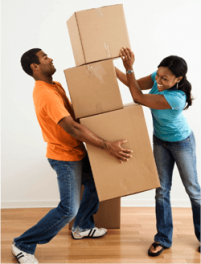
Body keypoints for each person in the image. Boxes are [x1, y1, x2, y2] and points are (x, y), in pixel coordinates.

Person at [12, 48, 133, 264]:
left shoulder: (54, 85)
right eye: (45, 57)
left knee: (97, 183)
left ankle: (82, 226)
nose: (51, 59)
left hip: (76, 150)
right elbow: (72, 128)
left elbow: (74, 115)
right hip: (64, 157)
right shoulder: (46, 94)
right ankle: (22, 244)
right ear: (35, 67)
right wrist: (107, 146)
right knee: (68, 209)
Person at [116, 47, 201, 256]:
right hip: (160, 141)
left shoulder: (177, 98)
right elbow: (132, 83)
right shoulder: (157, 77)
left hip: (182, 143)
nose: (159, 81)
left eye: (165, 78)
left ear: (178, 79)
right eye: (159, 75)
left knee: (193, 190)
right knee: (161, 190)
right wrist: (111, 68)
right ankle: (163, 239)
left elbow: (138, 97)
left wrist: (129, 68)